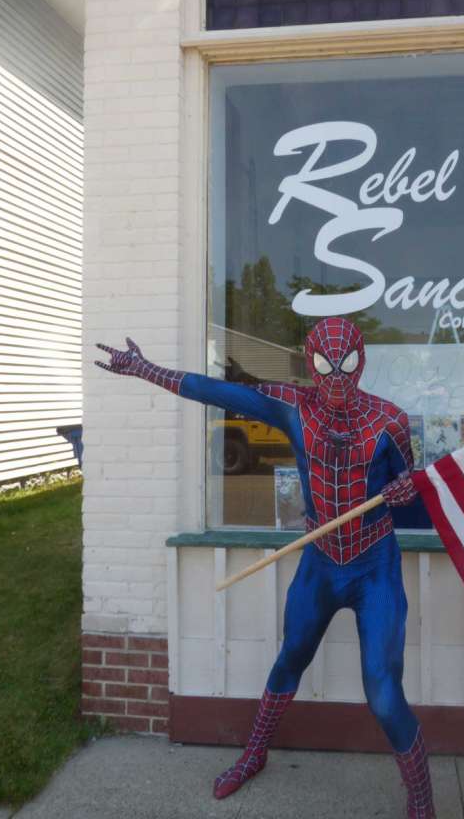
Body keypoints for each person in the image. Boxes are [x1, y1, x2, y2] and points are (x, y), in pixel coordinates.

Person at [96, 316, 435, 818]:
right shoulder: (292, 406)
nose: (337, 378)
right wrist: (146, 370)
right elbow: (218, 392)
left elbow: (416, 495)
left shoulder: (390, 421)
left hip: (374, 564)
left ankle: (422, 798)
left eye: (346, 365)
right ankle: (254, 753)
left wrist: (410, 487)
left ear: (362, 362)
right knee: (289, 658)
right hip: (321, 562)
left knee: (384, 691)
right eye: (325, 365)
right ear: (310, 364)